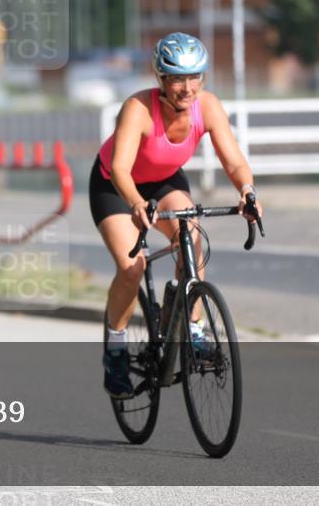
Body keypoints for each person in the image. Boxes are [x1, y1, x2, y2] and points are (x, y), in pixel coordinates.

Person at [90, 32, 264, 398]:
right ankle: (116, 349)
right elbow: (121, 169)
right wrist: (136, 203)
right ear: (161, 79)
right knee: (132, 266)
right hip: (116, 187)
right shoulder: (138, 108)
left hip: (165, 180)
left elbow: (232, 160)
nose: (187, 88)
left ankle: (191, 326)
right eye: (178, 78)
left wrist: (247, 192)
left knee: (190, 236)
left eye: (194, 77)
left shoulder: (209, 106)